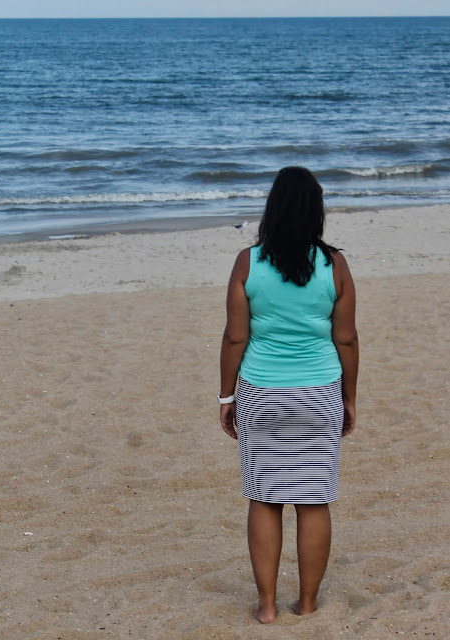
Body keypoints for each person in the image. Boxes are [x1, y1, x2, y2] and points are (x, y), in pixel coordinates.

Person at [218, 166, 358, 624]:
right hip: (319, 392)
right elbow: (347, 340)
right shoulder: (334, 264)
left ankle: (266, 606)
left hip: (261, 391)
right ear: (316, 211)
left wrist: (226, 397)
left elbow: (236, 338)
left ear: (271, 208)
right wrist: (349, 399)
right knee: (314, 500)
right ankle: (309, 602)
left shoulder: (248, 261)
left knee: (265, 499)